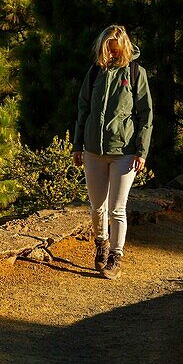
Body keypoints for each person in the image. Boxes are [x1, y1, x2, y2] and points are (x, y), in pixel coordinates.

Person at [72, 25, 153, 280]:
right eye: (108, 49)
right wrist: (77, 145)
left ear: (124, 48)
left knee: (117, 208)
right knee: (97, 207)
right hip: (94, 150)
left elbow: (146, 114)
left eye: (116, 50)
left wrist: (142, 150)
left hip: (125, 151)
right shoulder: (96, 71)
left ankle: (116, 257)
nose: (112, 54)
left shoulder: (135, 72)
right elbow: (83, 109)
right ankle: (101, 243)